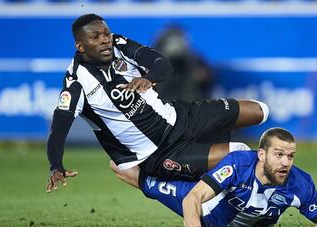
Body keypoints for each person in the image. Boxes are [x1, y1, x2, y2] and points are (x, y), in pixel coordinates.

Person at [46, 14, 269, 192]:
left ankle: (211, 178)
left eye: (106, 33)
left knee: (260, 111)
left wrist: (149, 78)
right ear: (80, 46)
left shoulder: (120, 45)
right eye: (95, 37)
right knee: (241, 153)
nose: (105, 40)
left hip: (183, 116)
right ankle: (202, 191)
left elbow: (161, 63)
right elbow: (59, 127)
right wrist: (56, 165)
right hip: (160, 153)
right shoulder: (76, 84)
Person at [110, 127, 317, 227]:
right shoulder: (239, 164)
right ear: (261, 154)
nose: (286, 162)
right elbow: (193, 198)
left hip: (249, 225)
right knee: (138, 177)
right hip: (206, 213)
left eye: (290, 156)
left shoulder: (300, 184)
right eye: (279, 154)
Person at [154, 25, 213, 102]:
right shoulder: (152, 61)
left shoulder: (194, 60)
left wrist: (199, 76)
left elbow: (207, 78)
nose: (174, 46)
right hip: (162, 104)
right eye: (171, 41)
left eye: (177, 40)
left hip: (189, 103)